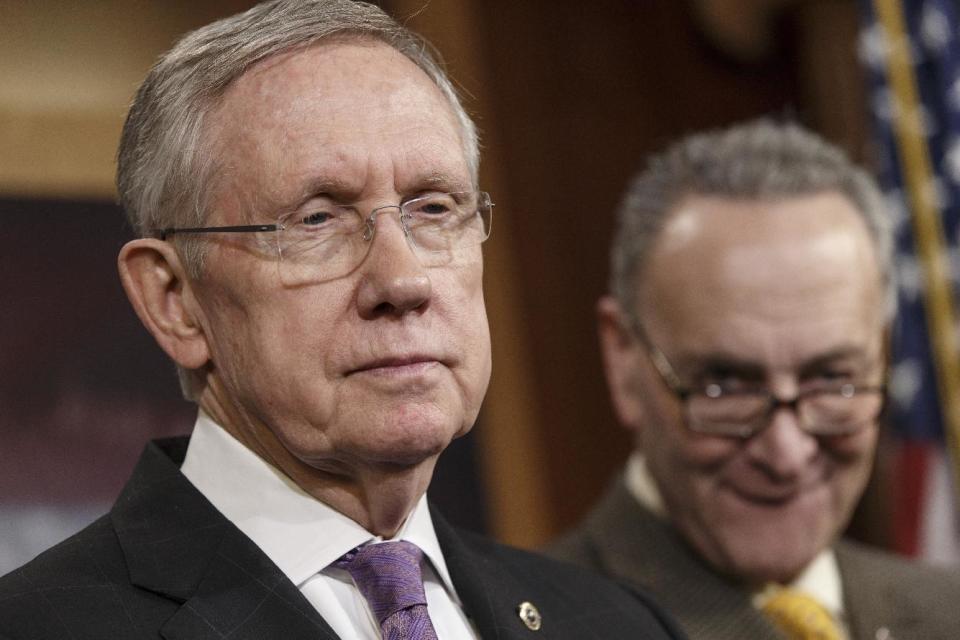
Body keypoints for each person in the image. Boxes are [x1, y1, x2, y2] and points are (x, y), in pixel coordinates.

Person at [0, 2, 685, 639]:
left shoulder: (614, 623)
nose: (403, 281)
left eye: (434, 208)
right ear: (175, 299)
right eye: (318, 219)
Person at [550, 120, 960, 640]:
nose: (787, 455)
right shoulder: (530, 626)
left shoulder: (950, 613)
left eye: (833, 379)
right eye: (726, 385)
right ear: (623, 358)